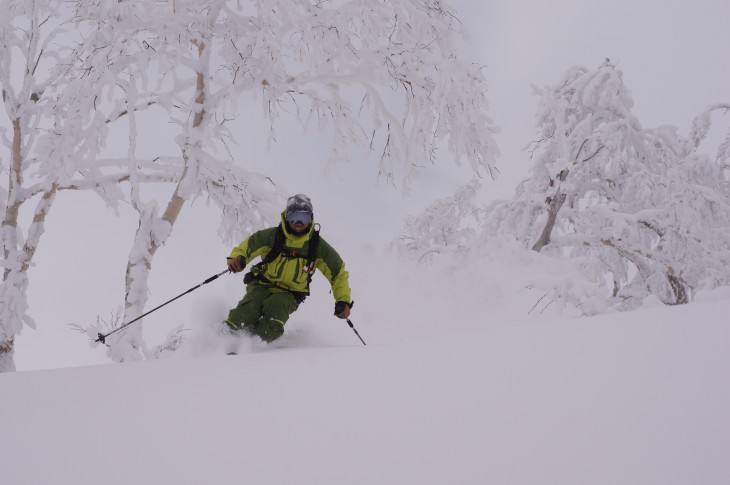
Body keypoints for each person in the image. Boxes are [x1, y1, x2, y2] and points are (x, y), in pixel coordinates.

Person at [224, 194, 353, 343]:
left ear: (311, 219)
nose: (299, 223)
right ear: (286, 217)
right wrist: (238, 258)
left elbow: (338, 273)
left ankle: (256, 346)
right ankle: (225, 339)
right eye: (294, 217)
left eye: (303, 218)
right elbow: (248, 246)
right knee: (248, 310)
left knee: (276, 306)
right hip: (262, 284)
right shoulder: (272, 236)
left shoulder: (317, 246)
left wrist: (343, 300)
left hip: (290, 293)